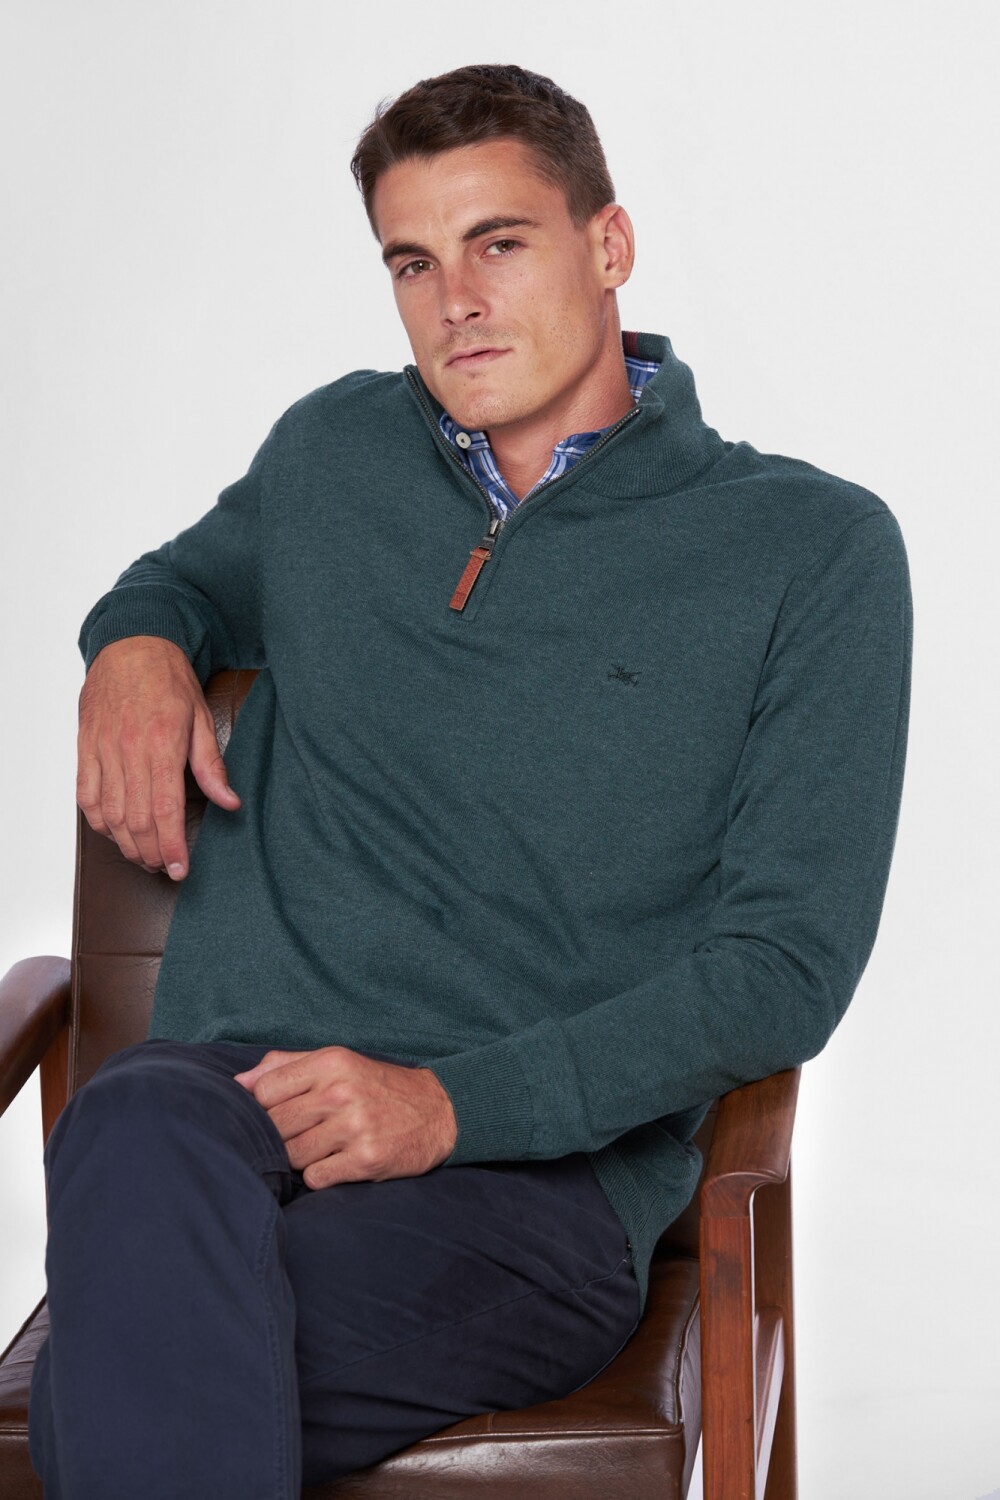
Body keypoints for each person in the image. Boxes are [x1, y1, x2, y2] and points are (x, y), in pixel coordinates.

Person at [28, 63, 912, 1498]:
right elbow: (185, 579)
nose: (457, 303)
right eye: (413, 263)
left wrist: (449, 1106)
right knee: (131, 1117)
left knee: (142, 1354)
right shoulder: (332, 456)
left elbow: (785, 966)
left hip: (524, 1185)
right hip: (231, 1107)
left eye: (499, 243)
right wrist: (130, 640)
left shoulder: (810, 551)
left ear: (609, 245)